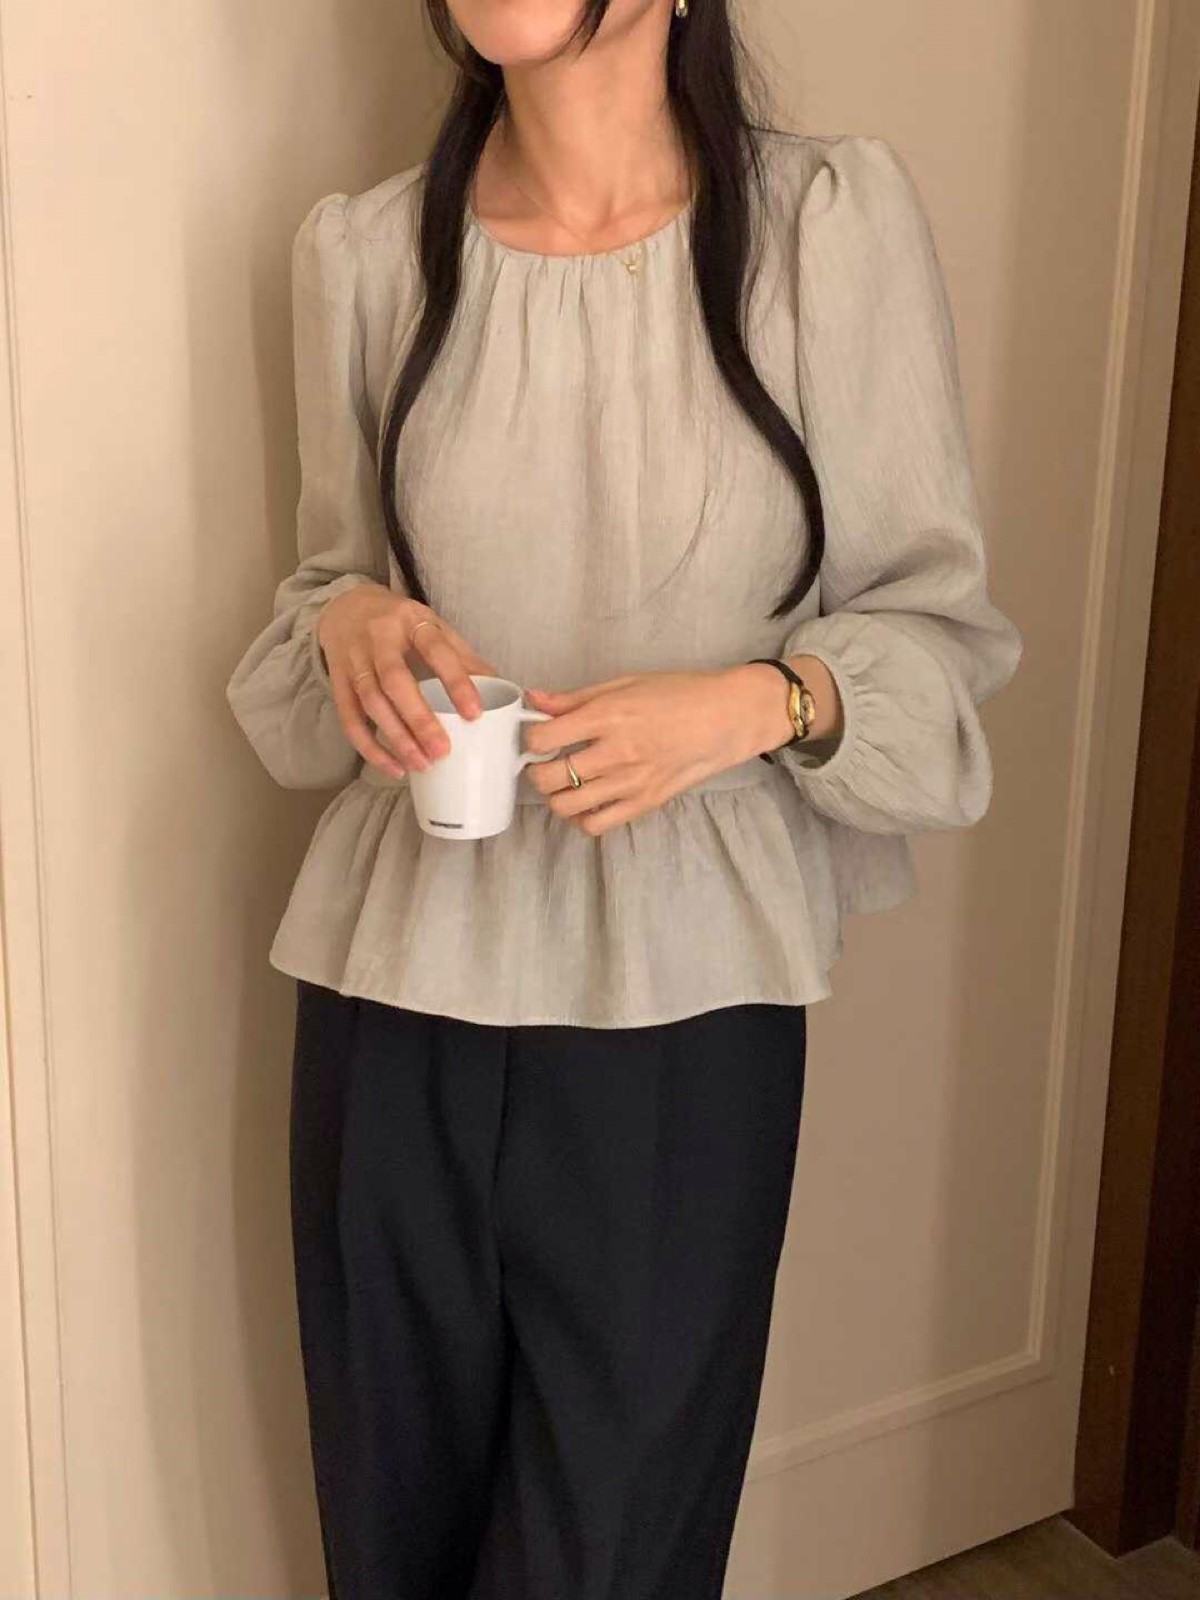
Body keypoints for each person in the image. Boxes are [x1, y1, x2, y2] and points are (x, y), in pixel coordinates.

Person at [225, 0, 1024, 1594]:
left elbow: (941, 637)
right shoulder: (368, 256)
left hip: (685, 1005)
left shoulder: (821, 227)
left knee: (612, 1547)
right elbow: (324, 588)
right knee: (390, 1531)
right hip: (397, 993)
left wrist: (746, 707)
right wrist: (350, 621)